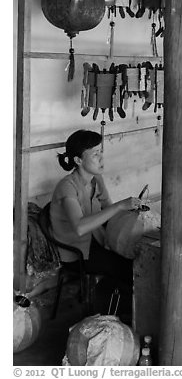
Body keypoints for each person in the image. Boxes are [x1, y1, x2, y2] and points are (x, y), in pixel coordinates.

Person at [50, 129, 142, 322]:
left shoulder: (96, 180)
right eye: (95, 154)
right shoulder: (67, 187)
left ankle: (129, 311)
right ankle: (128, 319)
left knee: (139, 257)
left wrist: (131, 213)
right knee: (130, 269)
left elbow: (109, 211)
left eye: (101, 152)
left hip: (95, 240)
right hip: (76, 252)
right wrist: (119, 206)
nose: (101, 158)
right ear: (78, 161)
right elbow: (80, 227)